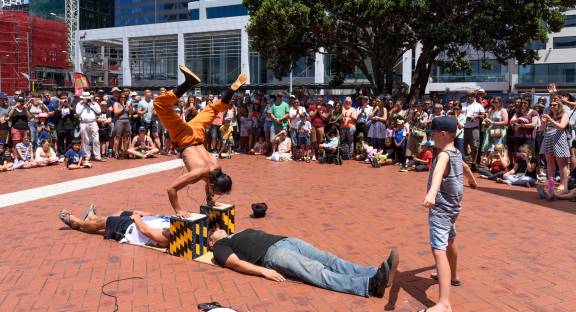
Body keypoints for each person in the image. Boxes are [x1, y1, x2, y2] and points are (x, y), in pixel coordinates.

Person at [153, 65, 246, 217]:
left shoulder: (216, 167)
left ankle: (232, 90)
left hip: (197, 134)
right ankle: (188, 83)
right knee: (159, 104)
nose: (214, 193)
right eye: (215, 192)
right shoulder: (198, 173)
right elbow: (171, 189)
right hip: (183, 137)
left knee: (214, 110)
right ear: (213, 183)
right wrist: (178, 210)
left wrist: (209, 200)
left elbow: (208, 183)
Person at [208, 228, 399, 298]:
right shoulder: (220, 246)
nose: (217, 228)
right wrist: (262, 271)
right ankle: (370, 285)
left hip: (287, 241)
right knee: (317, 271)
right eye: (213, 230)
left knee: (331, 259)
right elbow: (235, 264)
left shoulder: (237, 232)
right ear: (211, 241)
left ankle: (376, 273)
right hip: (273, 254)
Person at [421, 116, 477, 312]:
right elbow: (466, 167)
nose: (432, 137)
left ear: (443, 134)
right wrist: (472, 181)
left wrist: (431, 194)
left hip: (441, 210)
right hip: (453, 209)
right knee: (450, 240)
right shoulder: (455, 152)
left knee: (439, 250)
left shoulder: (443, 155)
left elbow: (437, 175)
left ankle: (444, 303)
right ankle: (453, 276)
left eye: (433, 134)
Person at [58, 206, 170, 247]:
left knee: (105, 221)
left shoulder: (169, 235)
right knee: (121, 212)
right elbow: (158, 217)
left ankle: (78, 223)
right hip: (142, 221)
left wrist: (137, 218)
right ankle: (92, 219)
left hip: (131, 230)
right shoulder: (178, 223)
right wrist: (144, 214)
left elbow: (147, 231)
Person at [541, 98, 571, 195]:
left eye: (555, 105)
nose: (552, 106)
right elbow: (542, 129)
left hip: (559, 140)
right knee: (549, 165)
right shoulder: (549, 115)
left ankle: (564, 186)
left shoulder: (564, 115)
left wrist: (550, 120)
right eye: (551, 105)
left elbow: (561, 126)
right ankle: (551, 185)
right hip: (548, 139)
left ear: (559, 106)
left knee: (562, 165)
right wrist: (543, 122)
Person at [461, 90, 485, 169]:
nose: (469, 97)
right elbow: (456, 113)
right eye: (468, 96)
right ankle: (464, 162)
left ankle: (474, 163)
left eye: (471, 96)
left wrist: (476, 117)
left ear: (474, 97)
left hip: (474, 128)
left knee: (474, 147)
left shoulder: (479, 105)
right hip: (462, 128)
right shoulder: (462, 105)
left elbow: (483, 116)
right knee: (463, 146)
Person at [76, 92, 103, 161]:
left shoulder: (94, 103)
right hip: (83, 123)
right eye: (85, 98)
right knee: (85, 140)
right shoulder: (79, 104)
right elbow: (77, 112)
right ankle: (87, 156)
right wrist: (84, 104)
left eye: (87, 97)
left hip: (93, 122)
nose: (87, 99)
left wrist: (92, 103)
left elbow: (99, 111)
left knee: (96, 140)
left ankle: (97, 156)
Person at [113, 92, 132, 158]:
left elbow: (130, 113)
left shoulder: (127, 104)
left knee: (126, 138)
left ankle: (125, 152)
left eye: (124, 97)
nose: (123, 98)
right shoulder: (116, 104)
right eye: (121, 97)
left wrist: (129, 107)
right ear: (119, 98)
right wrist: (123, 107)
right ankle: (116, 152)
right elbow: (115, 113)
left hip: (127, 121)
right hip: (119, 121)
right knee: (118, 137)